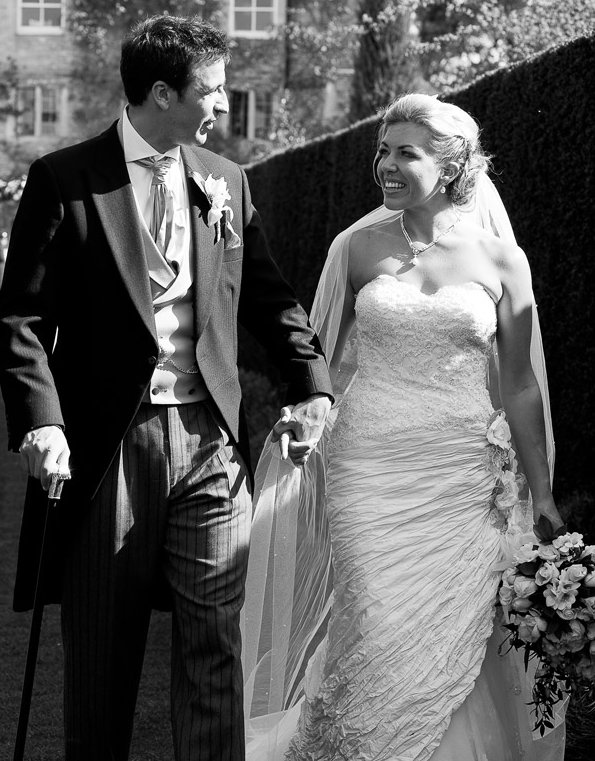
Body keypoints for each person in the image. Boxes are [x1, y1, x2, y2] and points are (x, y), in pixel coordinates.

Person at [0, 14, 333, 761]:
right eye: (209, 90)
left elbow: (268, 297)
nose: (220, 104)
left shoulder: (225, 179)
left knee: (215, 642)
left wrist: (311, 385)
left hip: (211, 443)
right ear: (159, 92)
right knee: (102, 661)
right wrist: (40, 421)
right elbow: (20, 316)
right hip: (110, 444)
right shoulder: (66, 179)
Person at [242, 93, 566, 760]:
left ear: (451, 166)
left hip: (462, 476)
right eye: (381, 150)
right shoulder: (355, 248)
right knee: (376, 617)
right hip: (368, 469)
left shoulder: (502, 261)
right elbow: (321, 367)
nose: (385, 165)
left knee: (455, 626)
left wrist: (543, 493)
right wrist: (305, 419)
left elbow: (520, 383)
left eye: (404, 153)